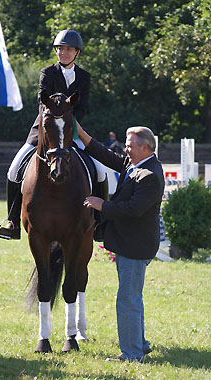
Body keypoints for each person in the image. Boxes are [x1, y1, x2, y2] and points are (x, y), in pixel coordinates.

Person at [0, 29, 107, 240]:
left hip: (72, 130)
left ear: (77, 52)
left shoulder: (84, 77)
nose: (64, 53)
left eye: (68, 49)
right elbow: (42, 100)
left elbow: (83, 107)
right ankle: (12, 221)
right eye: (60, 49)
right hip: (44, 129)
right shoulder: (47, 72)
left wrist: (70, 123)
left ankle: (100, 223)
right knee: (13, 170)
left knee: (100, 171)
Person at [78, 123, 164, 362]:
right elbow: (107, 156)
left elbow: (133, 210)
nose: (126, 150)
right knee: (133, 296)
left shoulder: (149, 175)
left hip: (135, 247)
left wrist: (101, 205)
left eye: (130, 146)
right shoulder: (136, 164)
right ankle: (140, 345)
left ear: (146, 147)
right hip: (131, 244)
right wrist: (82, 134)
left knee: (127, 300)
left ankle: (132, 353)